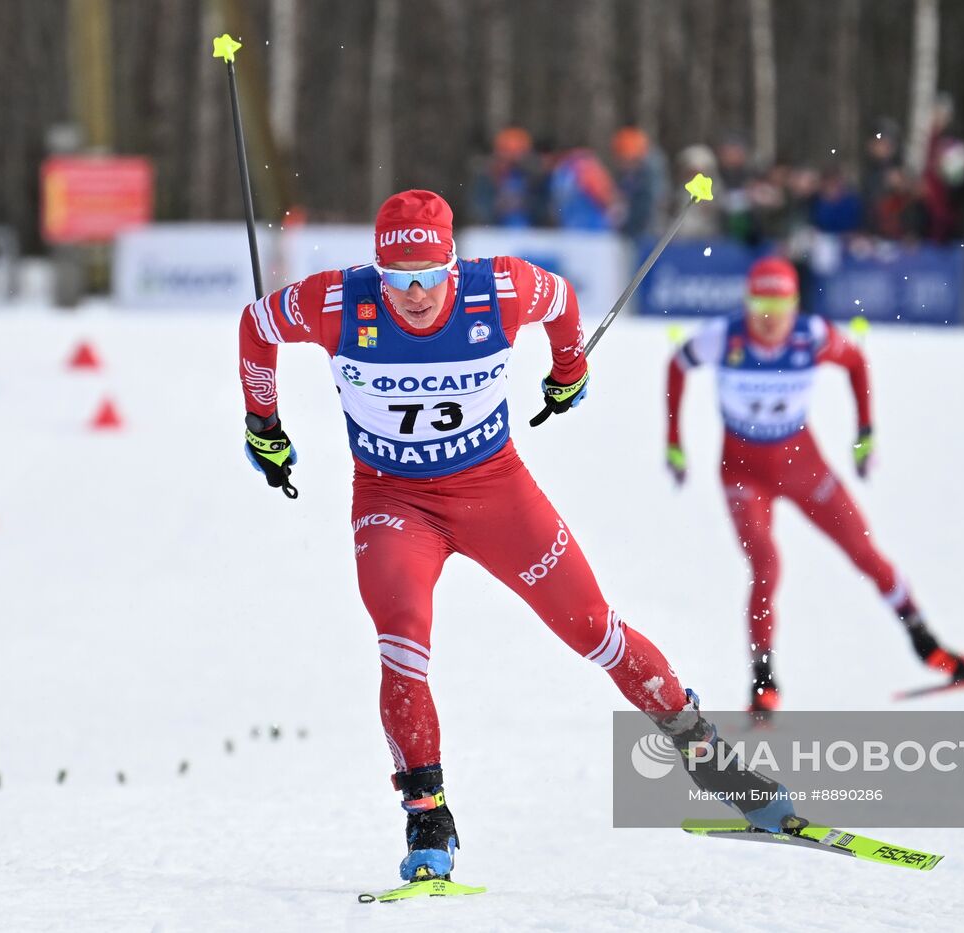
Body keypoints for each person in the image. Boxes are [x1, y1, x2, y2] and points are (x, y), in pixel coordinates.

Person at [238, 190, 796, 886]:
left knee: (596, 628)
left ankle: (711, 759)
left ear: (452, 264)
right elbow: (257, 325)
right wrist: (264, 425)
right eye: (398, 279)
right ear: (376, 271)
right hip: (393, 500)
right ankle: (427, 815)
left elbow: (561, 299)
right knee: (403, 635)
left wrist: (569, 369)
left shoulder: (497, 289)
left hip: (494, 491)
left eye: (430, 275)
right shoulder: (336, 303)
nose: (414, 294)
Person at [663, 257, 964, 713]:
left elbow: (856, 362)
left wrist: (865, 433)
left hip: (801, 463)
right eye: (760, 306)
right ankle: (764, 680)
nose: (769, 319)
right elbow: (676, 365)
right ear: (747, 305)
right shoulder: (723, 337)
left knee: (865, 551)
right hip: (743, 472)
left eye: (779, 306)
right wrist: (674, 442)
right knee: (766, 564)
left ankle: (927, 643)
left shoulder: (812, 336)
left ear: (795, 305)